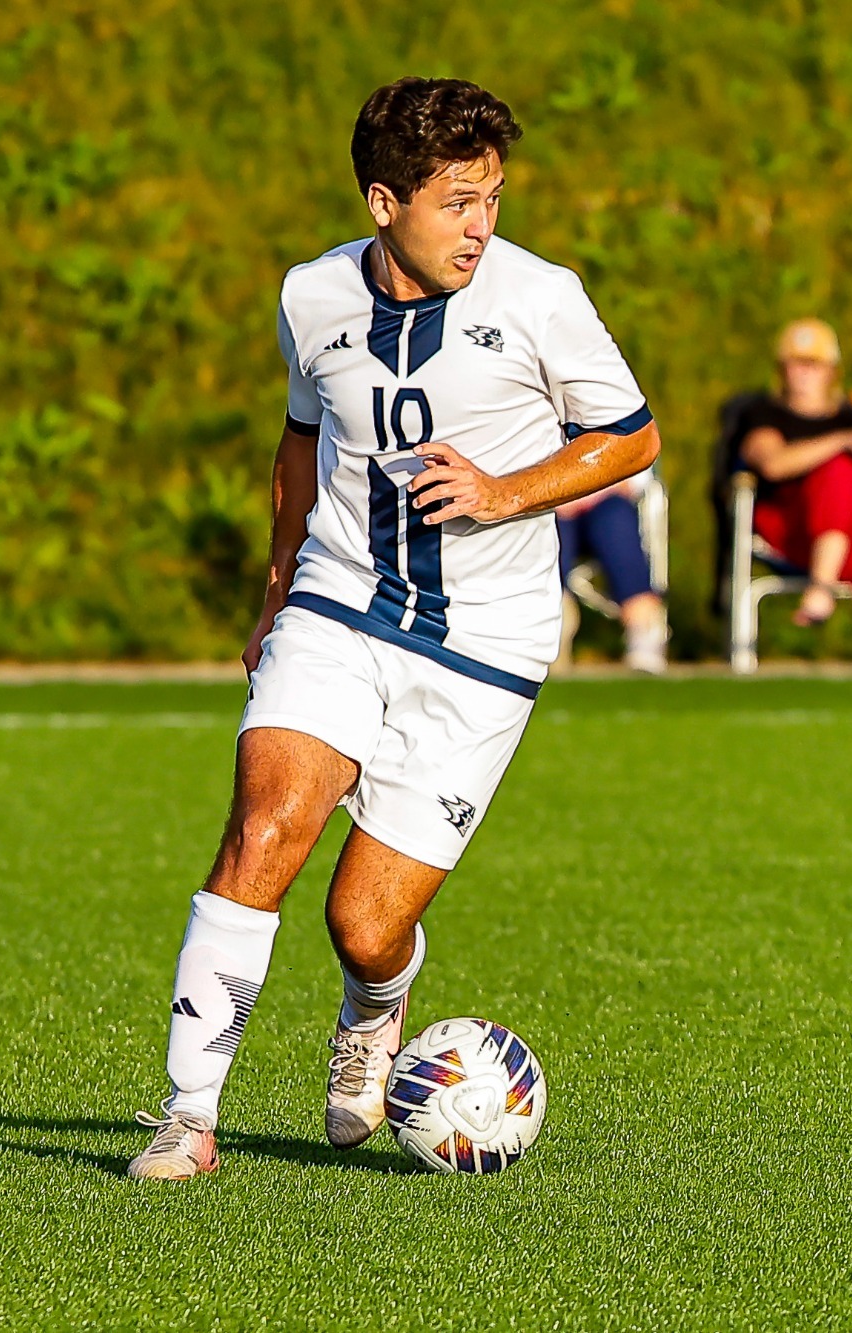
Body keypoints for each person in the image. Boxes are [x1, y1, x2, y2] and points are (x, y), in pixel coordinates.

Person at [126, 77, 659, 1180]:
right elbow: (296, 443)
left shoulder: (541, 297)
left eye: (493, 197)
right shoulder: (310, 294)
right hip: (340, 600)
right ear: (383, 202)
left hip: (485, 645)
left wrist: (505, 491)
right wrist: (275, 591)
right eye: (457, 201)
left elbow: (631, 436)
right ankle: (187, 1116)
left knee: (363, 924)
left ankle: (374, 1007)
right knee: (264, 830)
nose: (481, 225)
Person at [731, 318, 852, 663]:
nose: (803, 374)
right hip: (790, 530)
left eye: (812, 365)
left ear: (831, 371)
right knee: (840, 471)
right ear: (781, 369)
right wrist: (844, 442)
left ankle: (826, 591)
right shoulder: (764, 415)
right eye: (795, 364)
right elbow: (772, 463)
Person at [556, 474, 667, 672]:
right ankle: (552, 629)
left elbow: (637, 474)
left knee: (615, 517)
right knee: (548, 529)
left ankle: (643, 626)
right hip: (549, 507)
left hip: (604, 499)